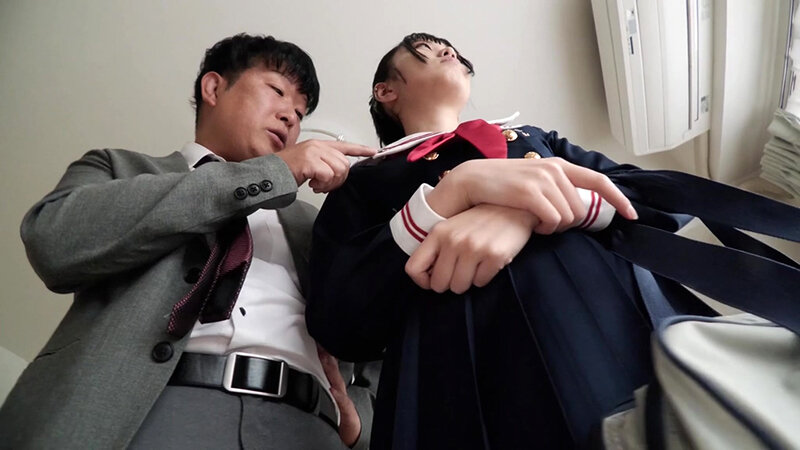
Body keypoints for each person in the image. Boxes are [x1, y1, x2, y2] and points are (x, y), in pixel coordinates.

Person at [306, 32, 710, 449]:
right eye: (424, 48)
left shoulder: (535, 138)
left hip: (607, 310)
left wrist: (530, 210)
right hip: (460, 369)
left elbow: (670, 198)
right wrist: (437, 205)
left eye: (449, 47)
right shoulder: (363, 179)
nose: (448, 49)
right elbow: (338, 321)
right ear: (385, 91)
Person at [0, 33, 379, 450]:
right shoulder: (117, 167)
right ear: (213, 87)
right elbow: (53, 241)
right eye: (276, 90)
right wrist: (270, 173)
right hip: (150, 414)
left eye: (301, 112)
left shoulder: (315, 223)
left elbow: (375, 329)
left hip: (309, 431)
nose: (291, 116)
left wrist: (359, 421)